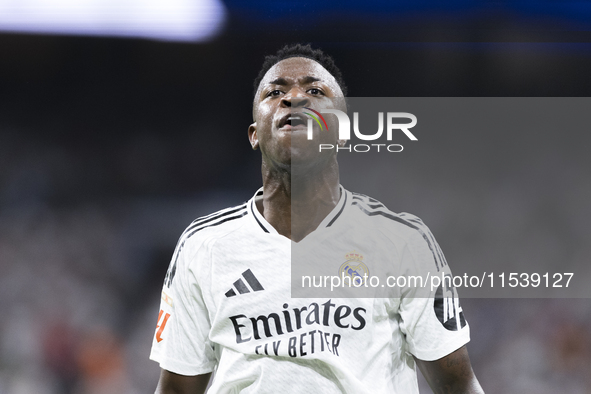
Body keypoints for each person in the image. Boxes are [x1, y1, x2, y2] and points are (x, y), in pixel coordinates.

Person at [150, 44, 484, 393]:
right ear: (254, 135)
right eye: (276, 92)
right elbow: (176, 388)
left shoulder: (403, 241)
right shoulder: (204, 245)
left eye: (314, 91)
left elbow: (457, 384)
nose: (294, 98)